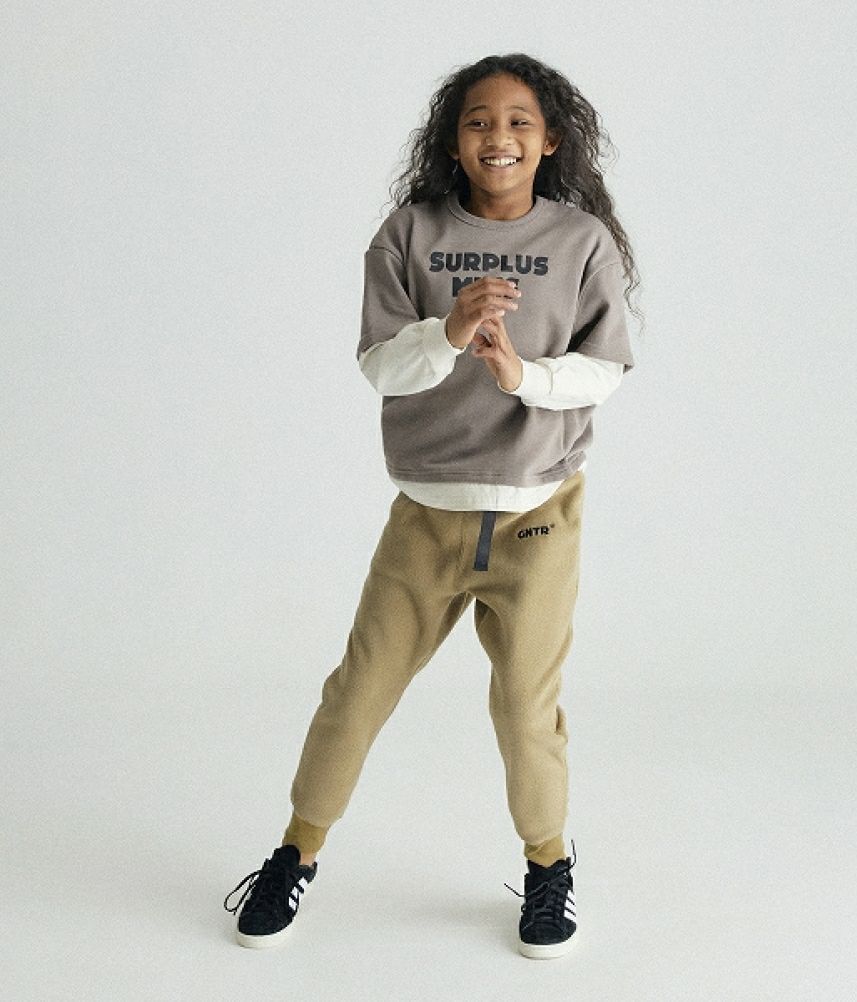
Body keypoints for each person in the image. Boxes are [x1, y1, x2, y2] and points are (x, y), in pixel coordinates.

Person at [224, 52, 639, 959]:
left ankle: (548, 868)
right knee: (358, 692)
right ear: (453, 142)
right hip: (426, 516)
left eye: (520, 122)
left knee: (526, 710)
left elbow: (606, 368)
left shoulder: (582, 243)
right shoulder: (408, 234)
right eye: (479, 121)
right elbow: (381, 366)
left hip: (537, 519)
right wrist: (448, 332)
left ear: (551, 140)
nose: (499, 137)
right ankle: (296, 853)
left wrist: (521, 375)